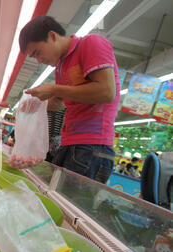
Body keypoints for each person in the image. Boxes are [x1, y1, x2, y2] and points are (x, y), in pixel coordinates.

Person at [19, 16, 120, 184]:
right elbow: (59, 102)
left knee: (67, 206)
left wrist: (54, 89)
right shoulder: (61, 66)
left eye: (37, 52)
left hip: (91, 145)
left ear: (52, 36)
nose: (39, 60)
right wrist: (36, 105)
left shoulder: (91, 43)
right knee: (52, 197)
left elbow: (107, 91)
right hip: (69, 142)